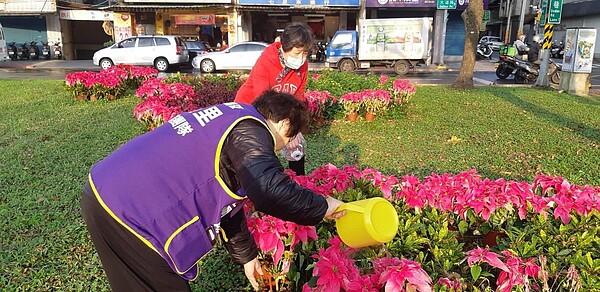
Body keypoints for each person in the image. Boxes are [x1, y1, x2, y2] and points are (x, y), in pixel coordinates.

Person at [81, 90, 345, 291]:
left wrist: (248, 258)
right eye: (290, 136)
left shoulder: (229, 117)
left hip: (103, 193)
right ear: (284, 123)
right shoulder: (250, 128)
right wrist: (325, 206)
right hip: (132, 215)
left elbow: (229, 205)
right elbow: (269, 190)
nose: (284, 146)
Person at [235, 22, 313, 175]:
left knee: (297, 146)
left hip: (278, 112)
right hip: (251, 110)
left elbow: (298, 96)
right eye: (297, 54)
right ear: (284, 46)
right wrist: (281, 129)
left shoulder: (302, 66)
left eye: (305, 53)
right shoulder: (267, 60)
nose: (301, 58)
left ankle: (299, 183)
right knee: (260, 153)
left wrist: (295, 128)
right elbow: (262, 99)